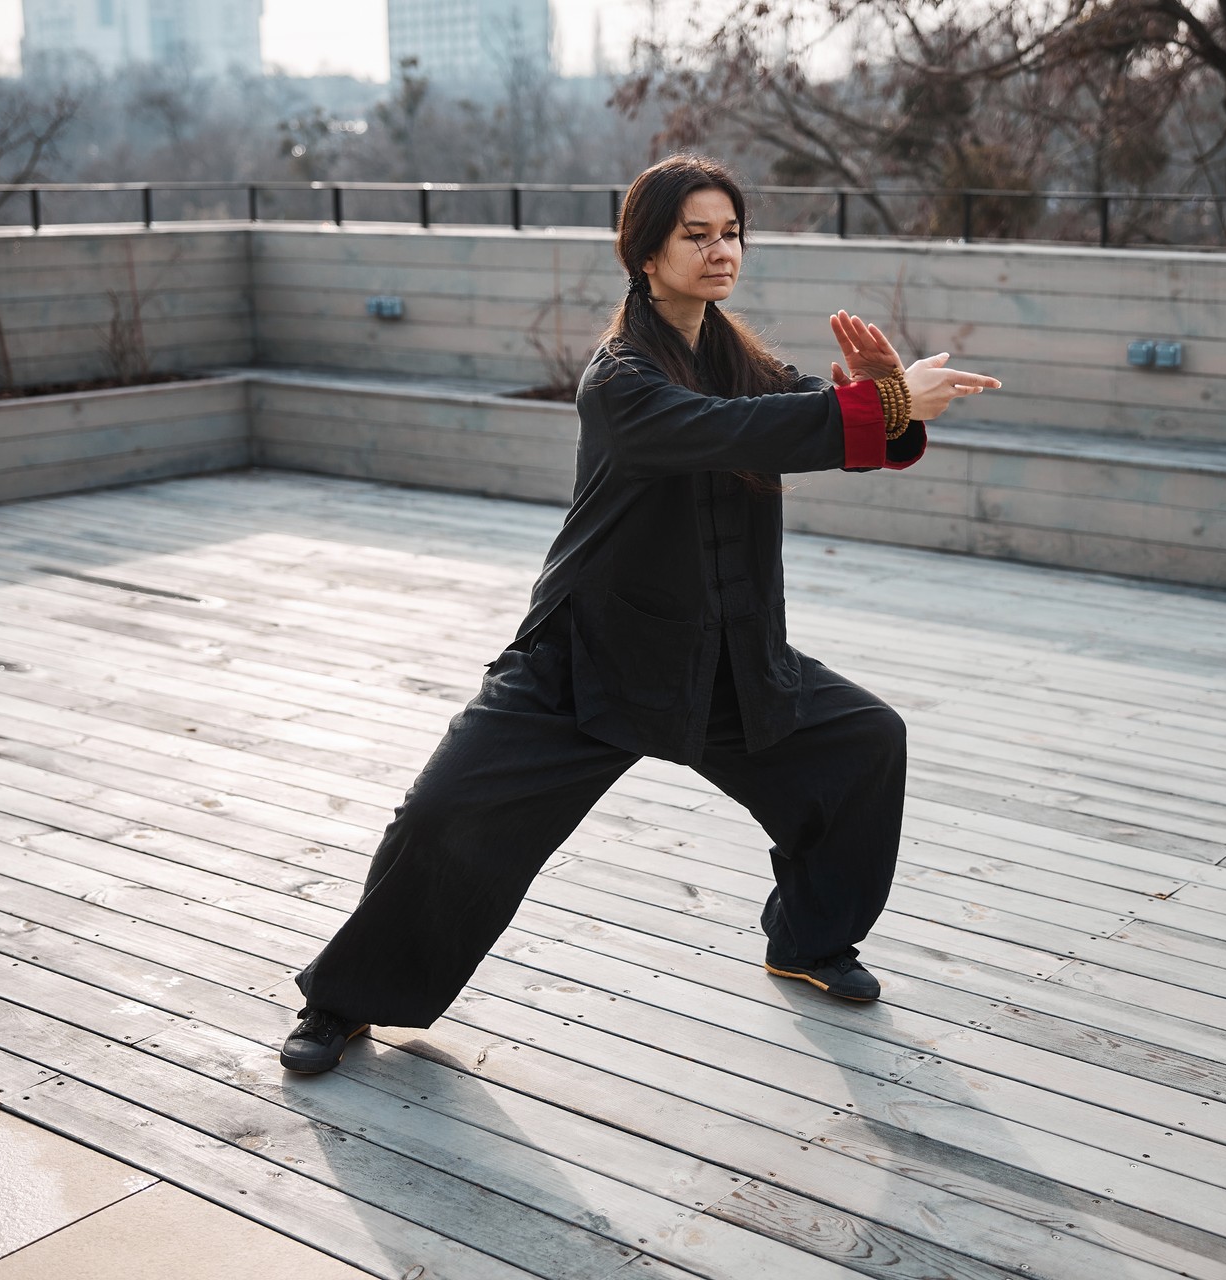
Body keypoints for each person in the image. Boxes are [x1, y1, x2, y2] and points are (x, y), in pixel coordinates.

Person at [281, 153, 1001, 1074]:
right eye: (695, 235)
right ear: (645, 253)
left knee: (863, 743)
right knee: (443, 813)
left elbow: (807, 424)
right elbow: (727, 433)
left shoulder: (743, 361)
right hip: (589, 657)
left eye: (730, 231)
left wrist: (882, 400)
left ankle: (809, 943)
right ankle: (344, 1003)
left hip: (725, 658)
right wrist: (876, 403)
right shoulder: (619, 377)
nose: (719, 250)